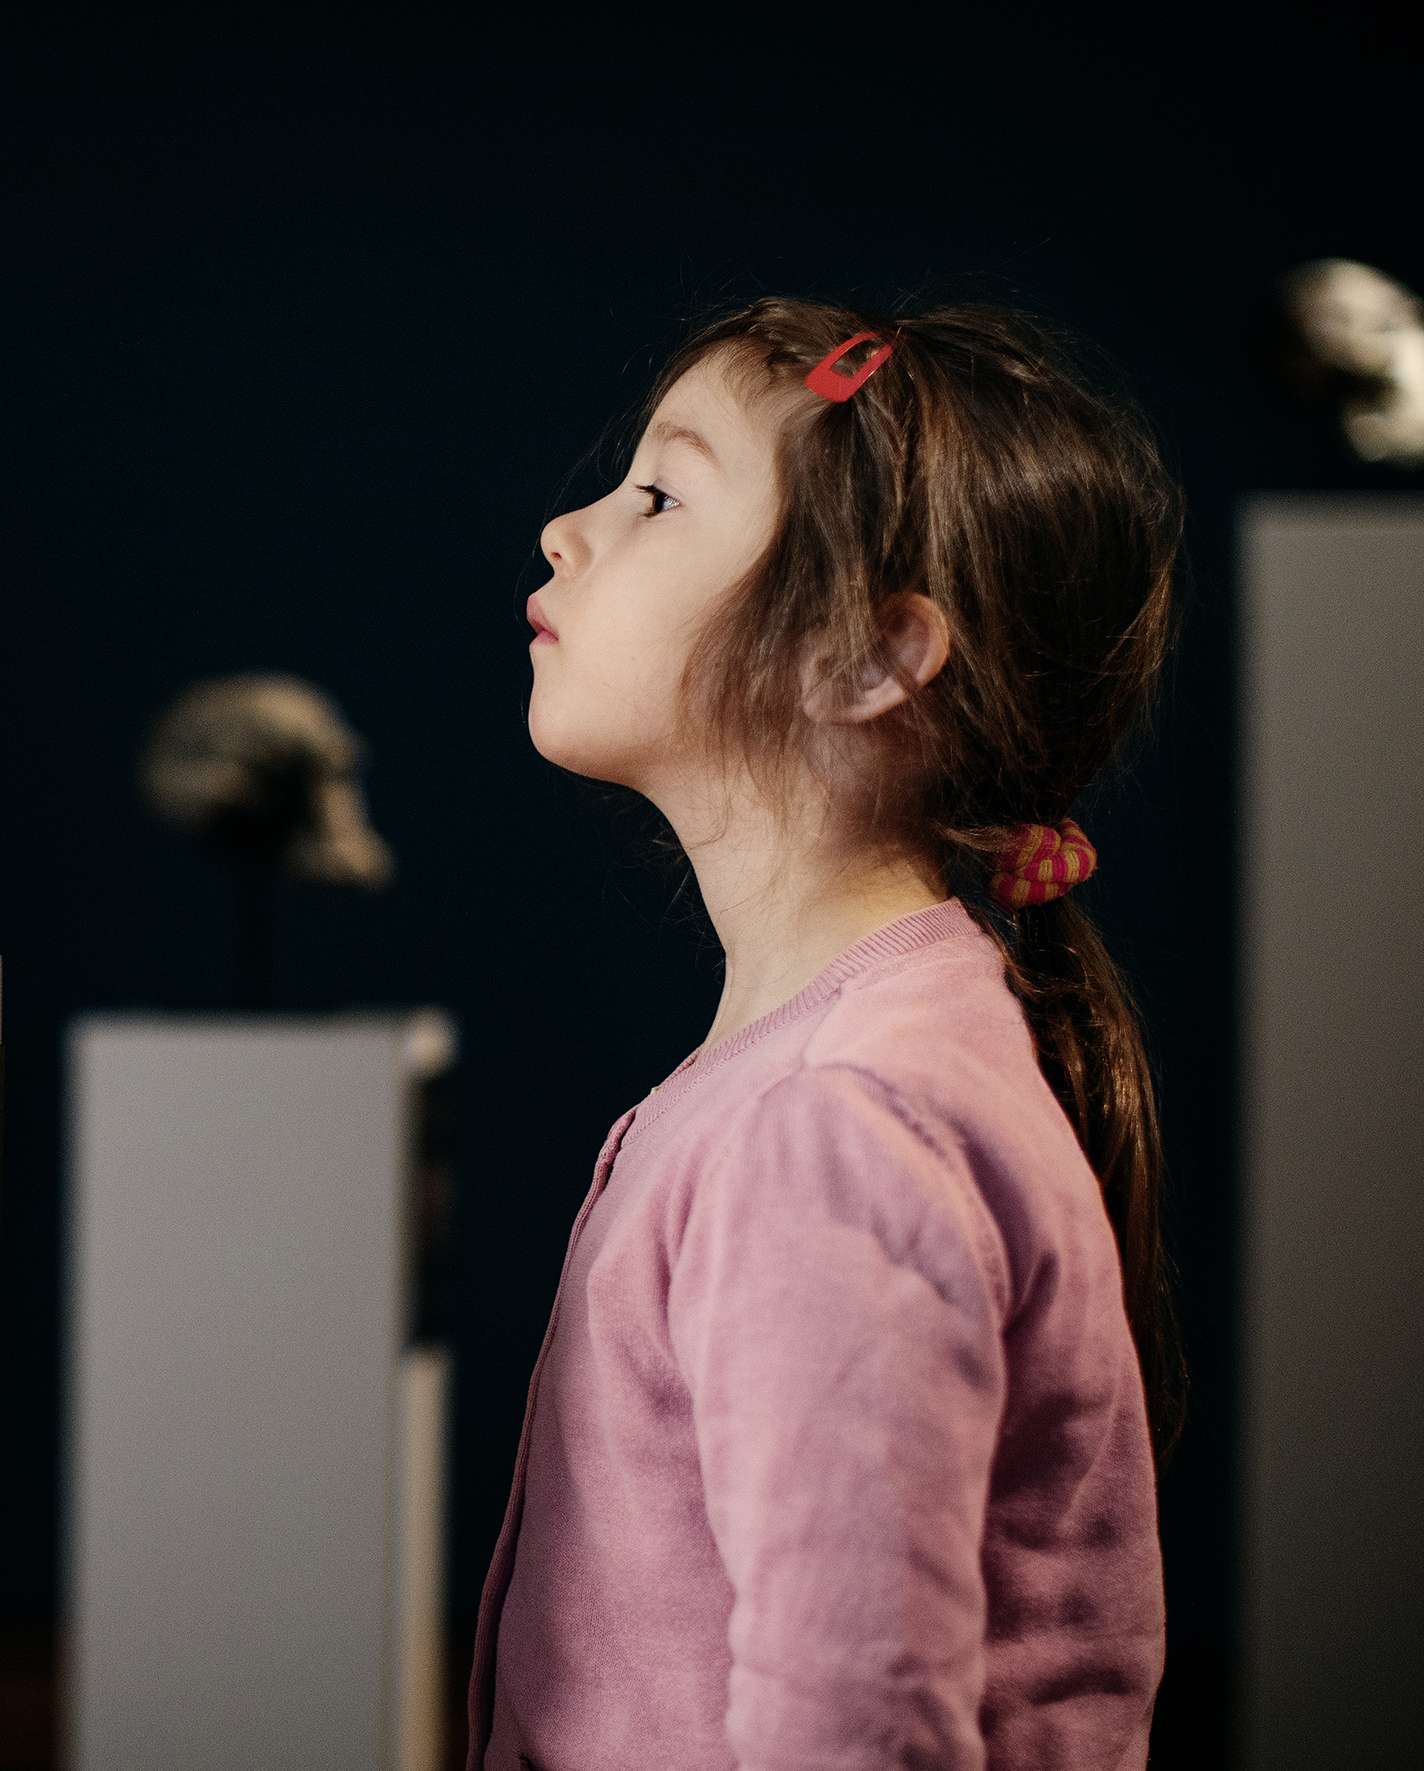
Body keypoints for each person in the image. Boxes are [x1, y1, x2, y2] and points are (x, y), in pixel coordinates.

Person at [472, 299, 1182, 1770]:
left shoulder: (835, 1124)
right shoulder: (848, 1066)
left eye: (658, 495)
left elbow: (851, 1734)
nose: (565, 527)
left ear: (865, 659)